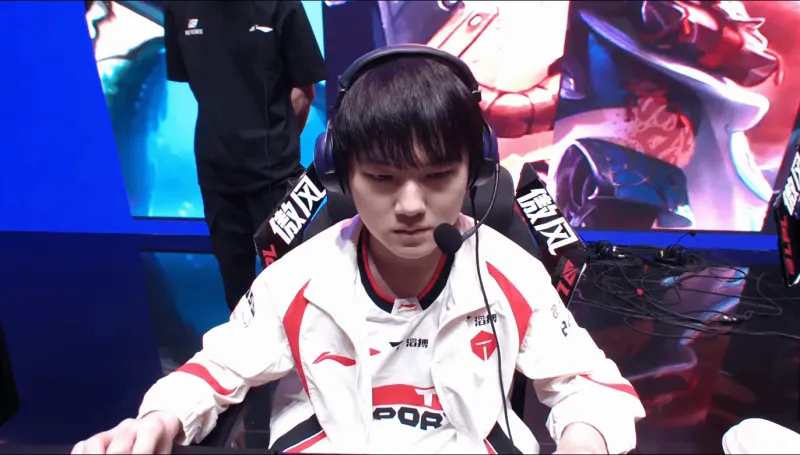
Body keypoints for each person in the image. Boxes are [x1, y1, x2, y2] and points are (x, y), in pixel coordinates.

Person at [72, 46, 645, 454]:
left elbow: (592, 387)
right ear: (341, 176)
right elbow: (216, 369)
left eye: (438, 176)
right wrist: (158, 420)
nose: (411, 205)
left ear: (475, 173)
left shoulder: (509, 272)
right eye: (382, 178)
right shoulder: (298, 276)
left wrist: (584, 440)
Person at [163, 1, 327, 311]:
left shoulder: (280, 4)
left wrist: (277, 144)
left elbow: (304, 90)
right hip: (216, 175)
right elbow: (197, 80)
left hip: (276, 177)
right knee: (236, 294)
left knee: (291, 290)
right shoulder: (179, 7)